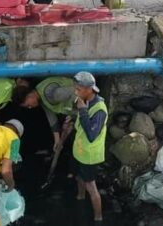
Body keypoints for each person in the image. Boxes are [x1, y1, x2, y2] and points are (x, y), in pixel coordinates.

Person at [71, 71, 108, 224]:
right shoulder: (83, 100)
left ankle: (98, 217)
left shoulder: (99, 109)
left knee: (91, 186)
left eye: (78, 89)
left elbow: (92, 135)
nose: (76, 92)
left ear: (89, 89)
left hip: (90, 155)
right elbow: (81, 122)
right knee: (79, 176)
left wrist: (82, 111)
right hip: (80, 151)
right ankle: (80, 197)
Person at [12, 77, 77, 152]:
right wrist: (57, 141)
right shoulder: (41, 96)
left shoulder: (49, 93)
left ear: (29, 95)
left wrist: (81, 112)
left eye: (28, 105)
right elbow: (52, 119)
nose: (30, 107)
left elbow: (75, 91)